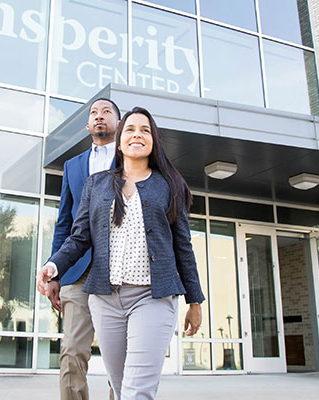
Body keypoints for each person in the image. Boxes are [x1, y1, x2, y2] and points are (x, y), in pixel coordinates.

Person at [37, 107, 205, 400]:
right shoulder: (97, 183)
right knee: (120, 384)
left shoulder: (170, 184)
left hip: (153, 296)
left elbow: (183, 247)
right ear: (120, 139)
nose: (137, 135)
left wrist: (195, 300)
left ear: (154, 141)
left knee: (137, 392)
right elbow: (79, 238)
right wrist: (55, 264)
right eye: (130, 129)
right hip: (105, 300)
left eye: (145, 130)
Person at [47, 97, 120, 400]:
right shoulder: (73, 165)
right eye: (94, 113)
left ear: (119, 121)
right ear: (88, 125)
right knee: (72, 353)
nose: (99, 116)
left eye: (106, 112)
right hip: (78, 271)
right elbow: (64, 222)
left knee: (122, 356)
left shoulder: (132, 157)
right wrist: (55, 271)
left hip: (120, 268)